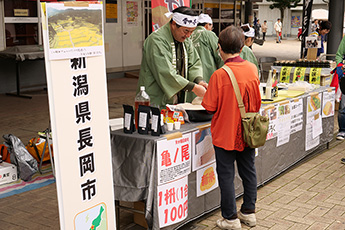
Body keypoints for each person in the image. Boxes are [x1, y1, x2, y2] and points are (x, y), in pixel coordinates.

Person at [202, 25, 261, 230]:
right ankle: (249, 212)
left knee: (226, 176)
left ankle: (230, 218)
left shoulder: (219, 75)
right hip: (248, 131)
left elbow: (209, 107)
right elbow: (257, 101)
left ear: (220, 48)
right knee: (249, 171)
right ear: (242, 46)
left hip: (226, 133)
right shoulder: (252, 69)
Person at [137, 6, 208, 108]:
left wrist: (199, 81)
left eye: (192, 32)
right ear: (174, 24)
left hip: (177, 98)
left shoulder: (186, 40)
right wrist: (193, 87)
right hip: (156, 96)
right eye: (186, 31)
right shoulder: (157, 40)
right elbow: (165, 72)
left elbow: (194, 63)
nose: (188, 35)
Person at [191, 13, 223, 84]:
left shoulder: (189, 35)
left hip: (192, 79)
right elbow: (219, 54)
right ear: (207, 25)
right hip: (207, 78)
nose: (211, 29)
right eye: (211, 27)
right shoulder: (209, 34)